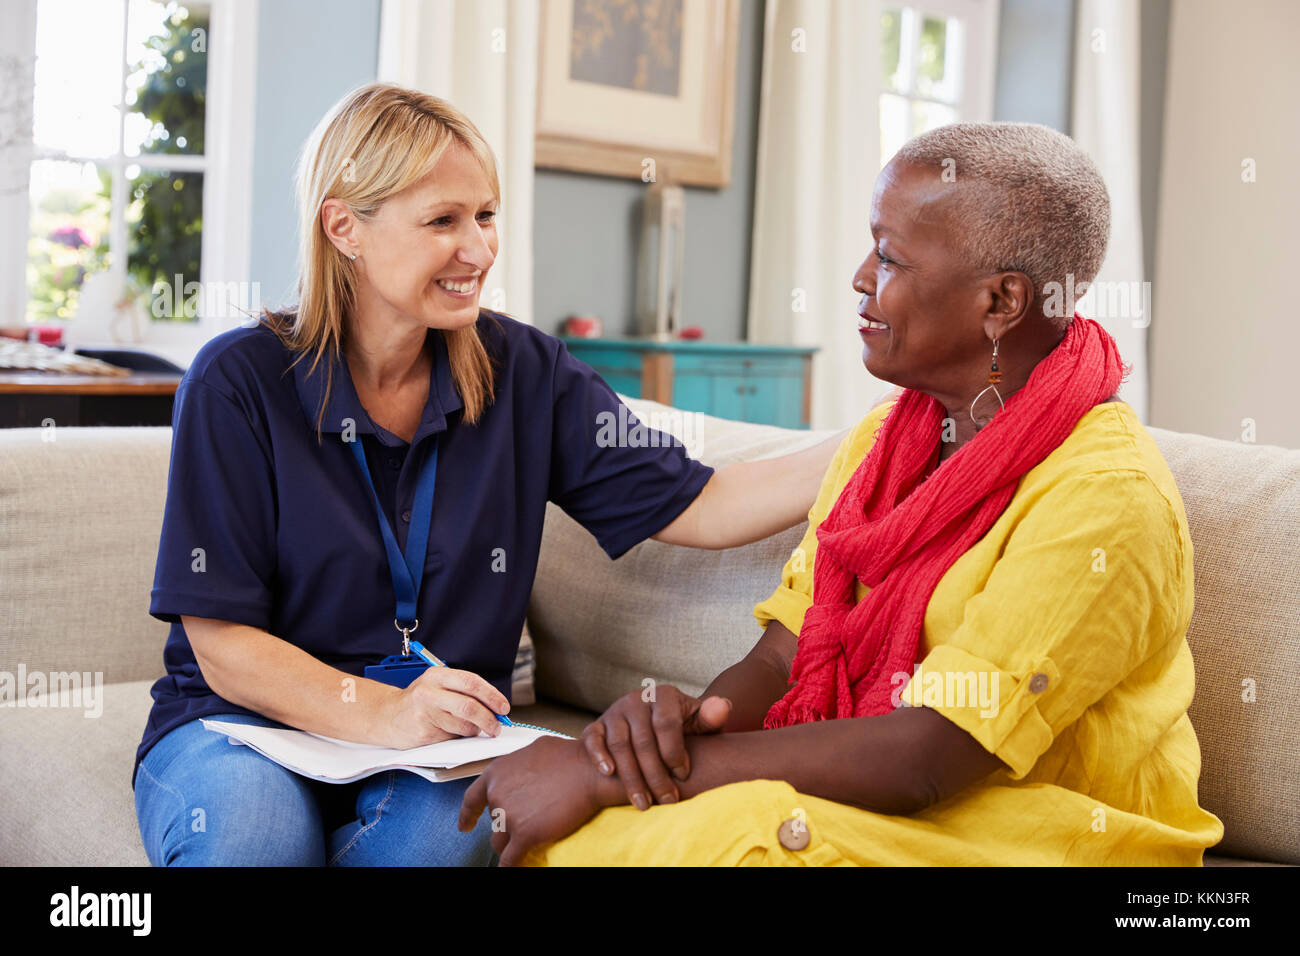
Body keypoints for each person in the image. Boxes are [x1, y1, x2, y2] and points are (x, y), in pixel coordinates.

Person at [458, 122, 1226, 866]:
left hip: (1041, 829)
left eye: (890, 257)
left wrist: (599, 775)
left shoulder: (1106, 499)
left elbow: (929, 756)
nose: (860, 276)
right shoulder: (886, 439)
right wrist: (678, 736)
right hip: (904, 805)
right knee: (599, 831)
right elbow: (783, 655)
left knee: (727, 843)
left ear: (1001, 303)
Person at [133, 83, 844, 866]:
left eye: (486, 215)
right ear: (344, 227)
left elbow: (703, 502)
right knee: (253, 844)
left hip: (439, 744)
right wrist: (383, 712)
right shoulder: (237, 382)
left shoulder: (526, 373)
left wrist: (880, 435)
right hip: (245, 726)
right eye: (442, 221)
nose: (477, 250)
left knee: (448, 843)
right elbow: (222, 644)